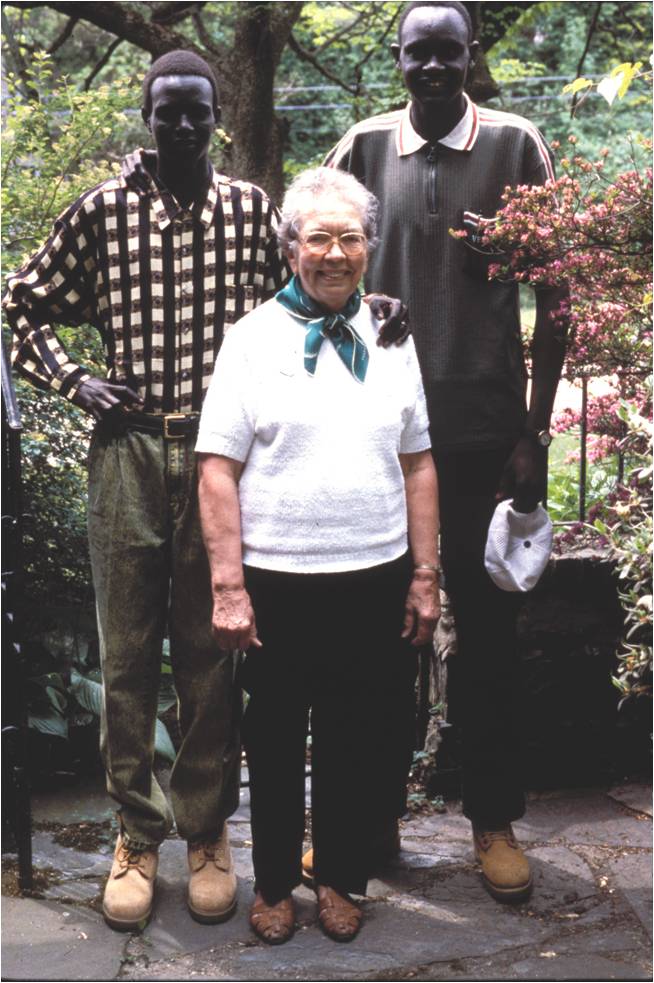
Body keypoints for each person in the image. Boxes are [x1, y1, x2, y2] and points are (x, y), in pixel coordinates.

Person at [4, 50, 289, 932]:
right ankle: (136, 833)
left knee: (211, 652)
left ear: (217, 120)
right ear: (145, 114)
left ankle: (206, 832)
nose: (181, 125)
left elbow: (306, 301)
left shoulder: (250, 212)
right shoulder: (102, 213)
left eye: (196, 111)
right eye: (165, 111)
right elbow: (20, 305)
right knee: (126, 656)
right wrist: (77, 381)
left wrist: (376, 308)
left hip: (216, 458)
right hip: (127, 453)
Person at [321, 0, 568, 903]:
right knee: (374, 639)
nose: (432, 67)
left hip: (478, 438)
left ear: (470, 58)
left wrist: (533, 431)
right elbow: (320, 276)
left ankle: (493, 822)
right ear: (397, 56)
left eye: (448, 53)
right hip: (377, 442)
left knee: (491, 638)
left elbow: (559, 297)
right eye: (417, 52)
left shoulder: (515, 145)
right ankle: (367, 819)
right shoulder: (361, 149)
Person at [196, 166, 440, 944]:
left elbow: (419, 461)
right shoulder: (250, 339)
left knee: (357, 733)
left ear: (369, 246)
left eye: (350, 237)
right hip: (277, 578)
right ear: (289, 246)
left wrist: (425, 573)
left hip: (373, 573)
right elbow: (216, 468)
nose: (335, 253)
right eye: (318, 238)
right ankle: (272, 881)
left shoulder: (391, 335)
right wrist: (228, 585)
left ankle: (339, 874)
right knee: (270, 734)